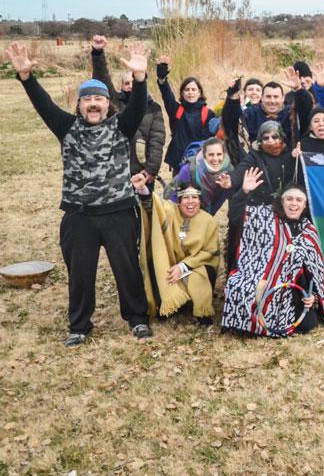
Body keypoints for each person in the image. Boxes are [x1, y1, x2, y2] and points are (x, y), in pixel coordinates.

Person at [9, 41, 153, 346]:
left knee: (127, 270)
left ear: (107, 103)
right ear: (80, 104)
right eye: (87, 99)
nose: (93, 104)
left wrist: (140, 79)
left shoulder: (121, 127)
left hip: (119, 213)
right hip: (79, 216)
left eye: (99, 99)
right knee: (80, 274)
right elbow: (43, 104)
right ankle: (79, 326)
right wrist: (26, 77)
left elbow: (139, 107)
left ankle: (138, 320)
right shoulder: (66, 127)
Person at [221, 185, 324, 337]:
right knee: (241, 288)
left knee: (308, 324)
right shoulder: (264, 217)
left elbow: (313, 271)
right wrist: (243, 192)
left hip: (292, 287)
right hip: (259, 276)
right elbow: (235, 215)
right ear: (282, 202)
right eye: (289, 199)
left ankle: (266, 323)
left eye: (299, 200)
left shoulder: (309, 231)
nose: (294, 203)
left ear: (304, 205)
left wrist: (311, 295)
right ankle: (254, 324)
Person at [133, 174, 221, 324]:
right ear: (179, 201)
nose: (191, 202)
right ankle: (174, 303)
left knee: (199, 275)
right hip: (172, 264)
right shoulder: (171, 211)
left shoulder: (209, 221)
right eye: (186, 197)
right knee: (161, 271)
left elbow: (209, 252)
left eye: (195, 197)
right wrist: (142, 188)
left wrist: (183, 266)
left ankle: (201, 310)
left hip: (198, 265)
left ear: (200, 200)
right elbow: (155, 205)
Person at [90, 35, 166, 186]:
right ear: (122, 86)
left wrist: (151, 169)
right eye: (126, 83)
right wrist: (98, 54)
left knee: (144, 208)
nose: (130, 86)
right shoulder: (114, 102)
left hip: (141, 173)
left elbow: (157, 140)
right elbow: (102, 79)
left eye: (133, 81)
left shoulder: (153, 108)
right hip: (113, 171)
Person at [227, 121, 298, 271]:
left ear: (282, 138)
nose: (271, 141)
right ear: (260, 141)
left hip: (283, 213)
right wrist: (231, 181)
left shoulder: (290, 156)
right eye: (266, 138)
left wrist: (295, 158)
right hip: (259, 215)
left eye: (275, 136)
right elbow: (241, 171)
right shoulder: (254, 157)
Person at [222, 71, 311, 160]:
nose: (272, 101)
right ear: (262, 98)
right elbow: (231, 121)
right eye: (268, 96)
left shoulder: (291, 113)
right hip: (256, 165)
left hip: (288, 163)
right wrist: (232, 95)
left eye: (276, 97)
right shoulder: (250, 113)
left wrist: (299, 90)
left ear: (283, 98)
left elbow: (306, 109)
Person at [155, 58, 219, 174]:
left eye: (194, 89)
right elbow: (166, 95)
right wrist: (162, 79)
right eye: (187, 90)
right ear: (182, 93)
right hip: (178, 163)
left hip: (201, 164)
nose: (190, 92)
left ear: (199, 93)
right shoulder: (176, 110)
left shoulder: (208, 114)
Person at [166, 137, 234, 216]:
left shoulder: (228, 171)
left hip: (204, 208)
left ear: (224, 154)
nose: (215, 159)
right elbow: (174, 197)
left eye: (219, 154)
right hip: (176, 207)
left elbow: (216, 203)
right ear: (204, 155)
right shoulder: (189, 169)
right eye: (211, 155)